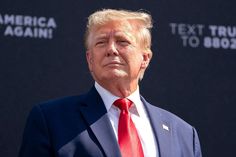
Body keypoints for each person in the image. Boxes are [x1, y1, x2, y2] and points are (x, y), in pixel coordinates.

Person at [18, 9, 202, 157]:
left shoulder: (184, 134)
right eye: (101, 42)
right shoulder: (51, 120)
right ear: (90, 59)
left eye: (122, 41)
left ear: (145, 58)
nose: (111, 50)